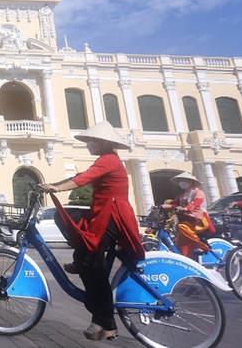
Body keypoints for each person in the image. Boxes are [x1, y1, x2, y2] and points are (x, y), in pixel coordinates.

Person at [39, 121, 144, 342]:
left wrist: (57, 188)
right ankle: (81, 260)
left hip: (112, 215)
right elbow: (82, 175)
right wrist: (51, 184)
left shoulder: (109, 160)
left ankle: (105, 323)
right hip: (102, 213)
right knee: (65, 219)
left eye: (91, 141)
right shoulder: (105, 160)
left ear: (103, 142)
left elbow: (83, 179)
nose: (88, 144)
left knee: (91, 264)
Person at [160, 172, 213, 257]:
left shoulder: (198, 192)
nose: (182, 182)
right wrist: (160, 206)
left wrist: (187, 208)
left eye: (184, 180)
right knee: (179, 247)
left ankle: (201, 246)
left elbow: (196, 202)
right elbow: (173, 204)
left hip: (199, 221)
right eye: (180, 181)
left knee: (180, 226)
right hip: (187, 221)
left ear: (191, 182)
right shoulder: (182, 195)